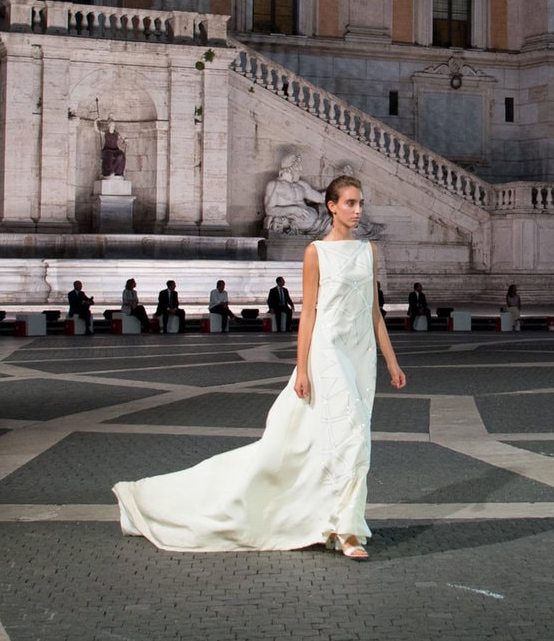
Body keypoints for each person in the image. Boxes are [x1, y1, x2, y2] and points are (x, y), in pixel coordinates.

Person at [114, 174, 408, 559]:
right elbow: (307, 316)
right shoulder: (316, 252)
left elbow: (374, 312)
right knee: (354, 434)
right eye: (350, 203)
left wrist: (391, 359)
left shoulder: (368, 251)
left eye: (361, 203)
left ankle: (333, 517)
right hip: (327, 351)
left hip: (361, 354)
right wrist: (301, 369)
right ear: (331, 206)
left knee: (345, 439)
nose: (357, 210)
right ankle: (348, 531)